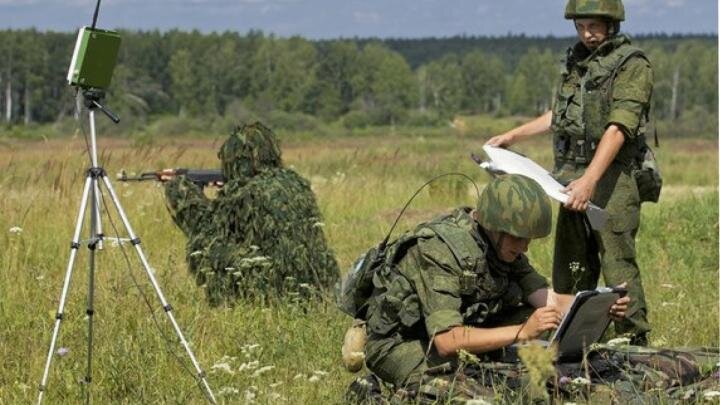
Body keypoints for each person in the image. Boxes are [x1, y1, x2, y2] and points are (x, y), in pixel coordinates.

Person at [340, 175, 717, 403]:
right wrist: (523, 331)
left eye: (528, 240)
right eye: (518, 239)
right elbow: (447, 341)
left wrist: (599, 303)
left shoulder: (504, 244)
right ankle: (376, 394)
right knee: (482, 393)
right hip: (404, 343)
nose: (524, 248)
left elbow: (548, 300)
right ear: (493, 226)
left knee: (549, 367)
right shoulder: (438, 252)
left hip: (471, 327)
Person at [486, 0, 652, 344]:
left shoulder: (632, 65)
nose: (587, 34)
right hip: (570, 179)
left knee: (617, 262)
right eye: (581, 26)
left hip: (612, 179)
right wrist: (512, 136)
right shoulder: (577, 62)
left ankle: (634, 341)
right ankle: (580, 337)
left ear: (611, 23)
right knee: (573, 265)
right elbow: (559, 115)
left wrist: (590, 181)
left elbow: (618, 127)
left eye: (594, 26)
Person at [164, 121, 339, 305]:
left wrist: (179, 189)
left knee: (204, 250)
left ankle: (236, 304)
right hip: (318, 281)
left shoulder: (246, 192)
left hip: (276, 286)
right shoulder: (296, 183)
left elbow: (205, 230)